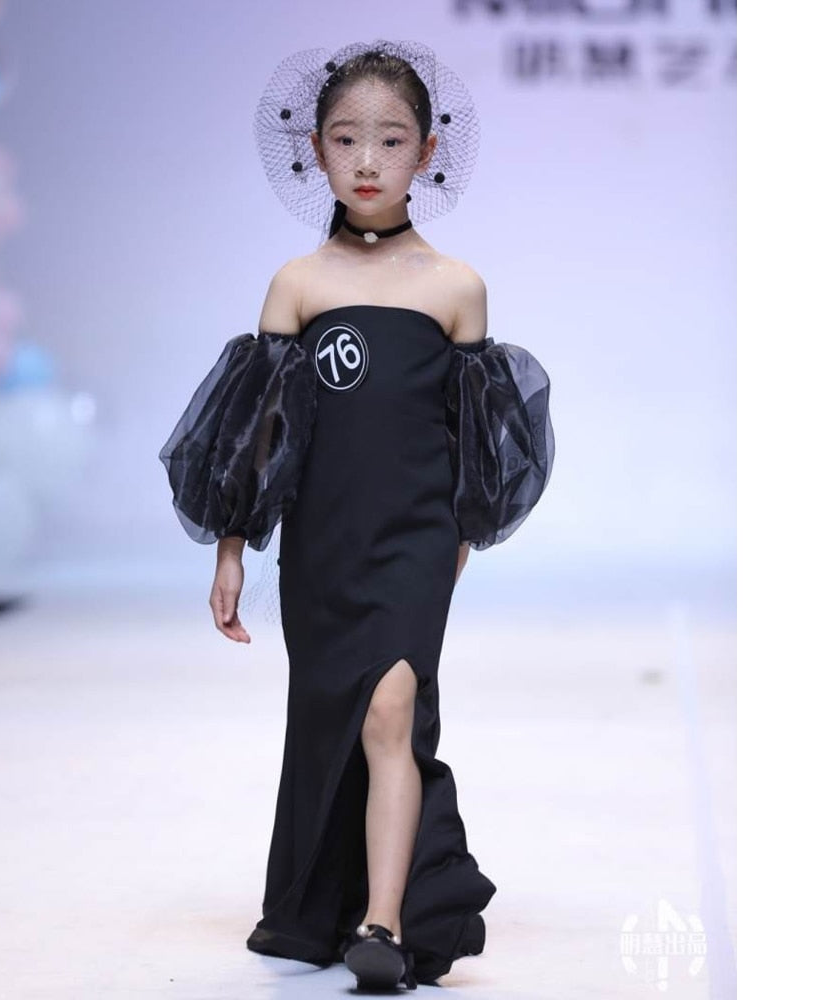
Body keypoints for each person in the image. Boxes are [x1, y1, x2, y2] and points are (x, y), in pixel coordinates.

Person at [159, 39, 555, 991]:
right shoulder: (299, 284)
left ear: (428, 152)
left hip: (418, 540)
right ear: (314, 150)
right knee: (333, 712)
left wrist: (457, 546)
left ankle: (382, 923)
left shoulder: (456, 288)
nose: (368, 161)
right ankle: (330, 904)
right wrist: (230, 548)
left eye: (391, 139)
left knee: (392, 707)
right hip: (323, 543)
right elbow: (255, 434)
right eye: (346, 139)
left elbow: (478, 441)